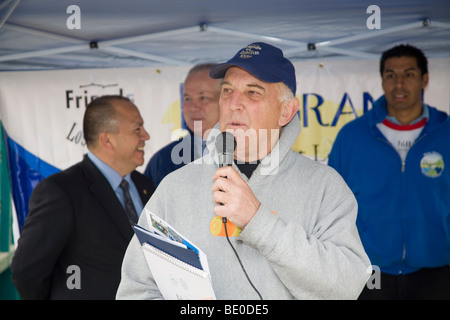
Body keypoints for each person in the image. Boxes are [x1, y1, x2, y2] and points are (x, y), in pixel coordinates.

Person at [116, 42, 371, 300]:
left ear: (286, 111)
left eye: (253, 93)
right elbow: (137, 289)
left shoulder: (324, 186)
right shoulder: (175, 187)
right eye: (227, 91)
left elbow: (346, 286)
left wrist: (258, 222)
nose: (234, 104)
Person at [328, 44, 450, 299]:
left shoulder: (446, 134)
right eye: (391, 75)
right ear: (382, 80)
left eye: (409, 74)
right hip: (368, 272)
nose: (399, 84)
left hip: (438, 270)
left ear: (424, 79)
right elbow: (330, 203)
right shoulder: (352, 137)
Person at [11, 95, 155, 299]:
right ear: (107, 140)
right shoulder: (61, 191)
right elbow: (27, 271)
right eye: (137, 129)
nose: (146, 136)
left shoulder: (145, 186)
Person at [144, 63, 221, 187]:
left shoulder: (252, 152)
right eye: (187, 99)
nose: (193, 107)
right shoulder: (164, 160)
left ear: (226, 99)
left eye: (203, 97)